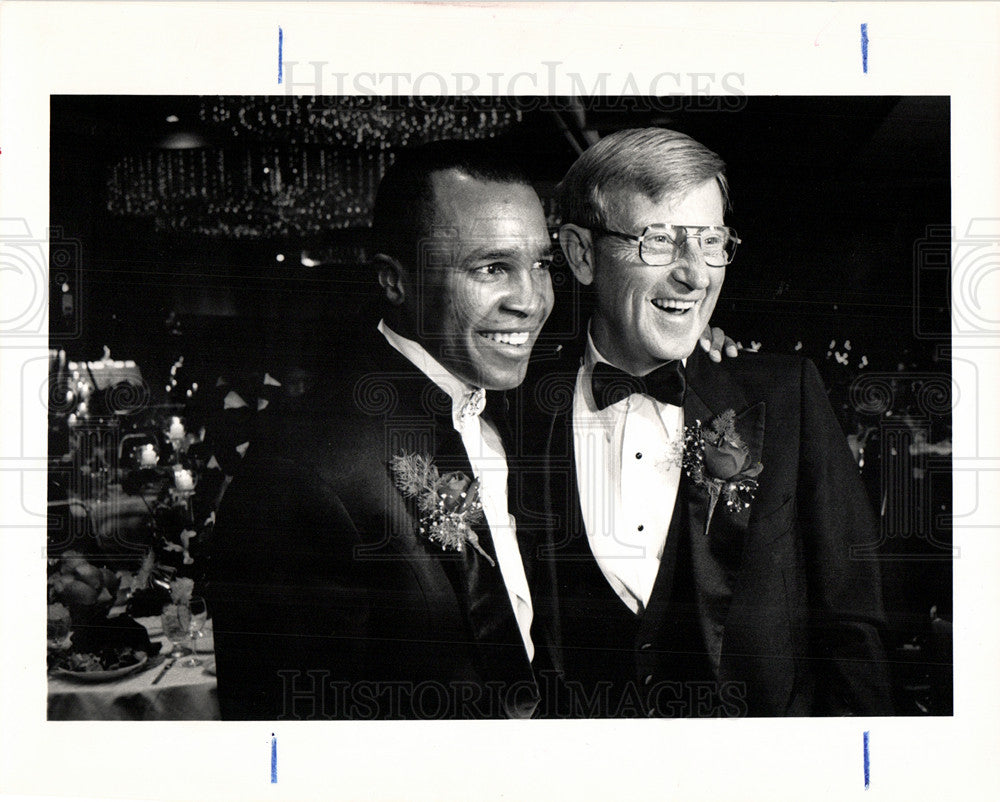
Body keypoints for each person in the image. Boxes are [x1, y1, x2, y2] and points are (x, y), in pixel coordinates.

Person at [208, 138, 734, 720]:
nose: (532, 302)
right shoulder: (305, 470)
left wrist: (683, 333)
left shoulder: (508, 406)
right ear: (394, 280)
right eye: (491, 268)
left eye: (539, 264)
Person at [531, 128, 893, 717]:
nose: (696, 275)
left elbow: (852, 621)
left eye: (711, 242)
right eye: (659, 242)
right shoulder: (518, 405)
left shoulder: (784, 395)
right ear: (581, 254)